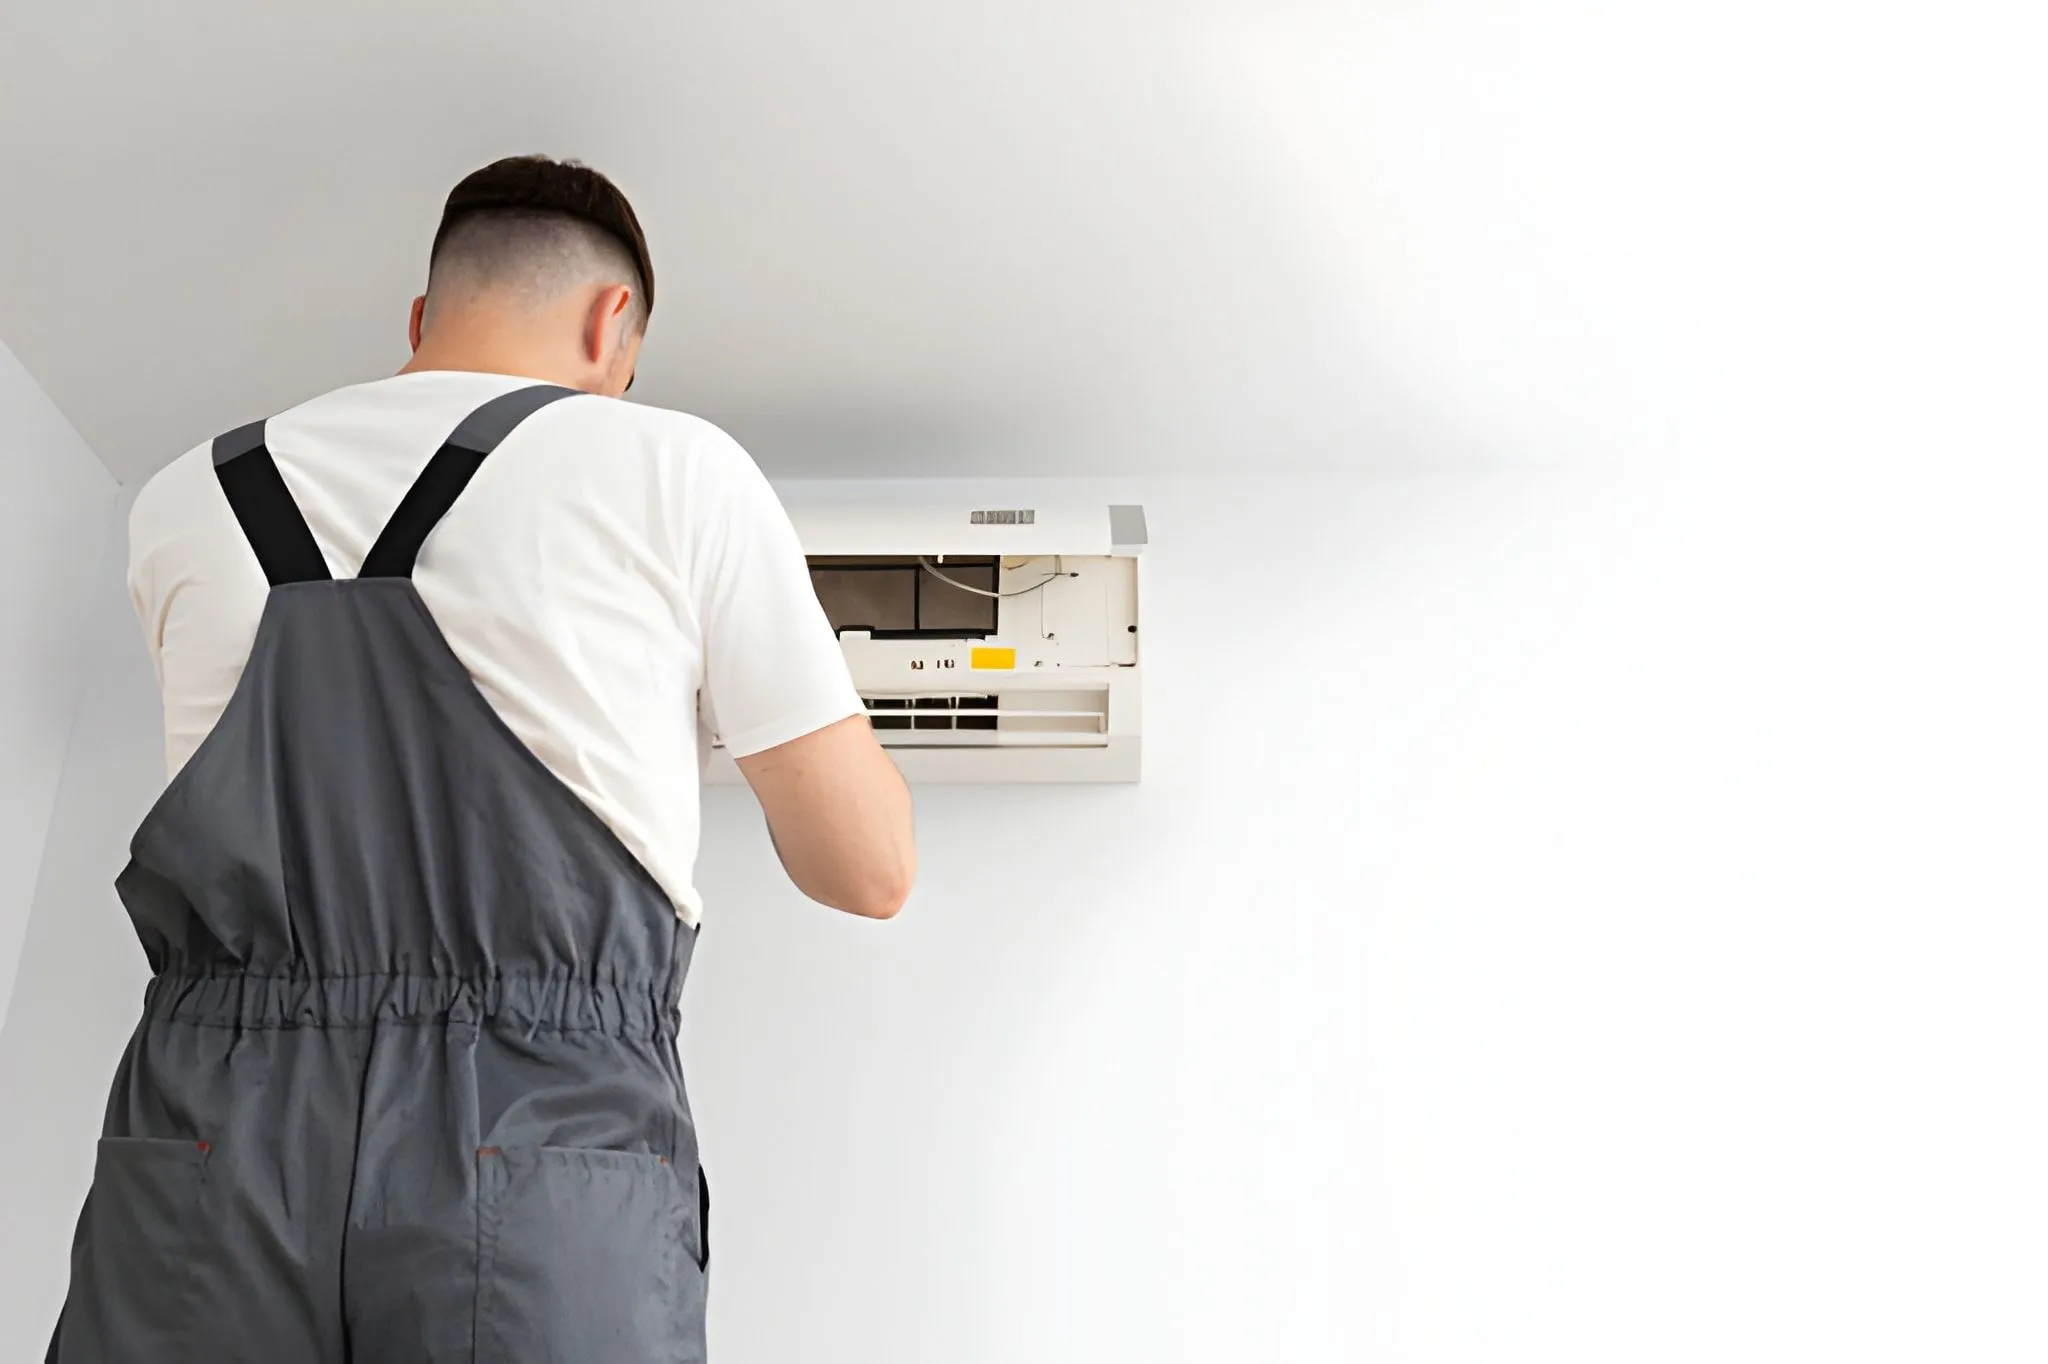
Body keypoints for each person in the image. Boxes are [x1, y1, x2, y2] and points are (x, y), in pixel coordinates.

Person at [47, 154, 914, 1363]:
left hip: (211, 1125)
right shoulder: (678, 469)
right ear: (613, 325)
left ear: (420, 318)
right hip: (537, 1123)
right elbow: (865, 869)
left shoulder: (182, 497)